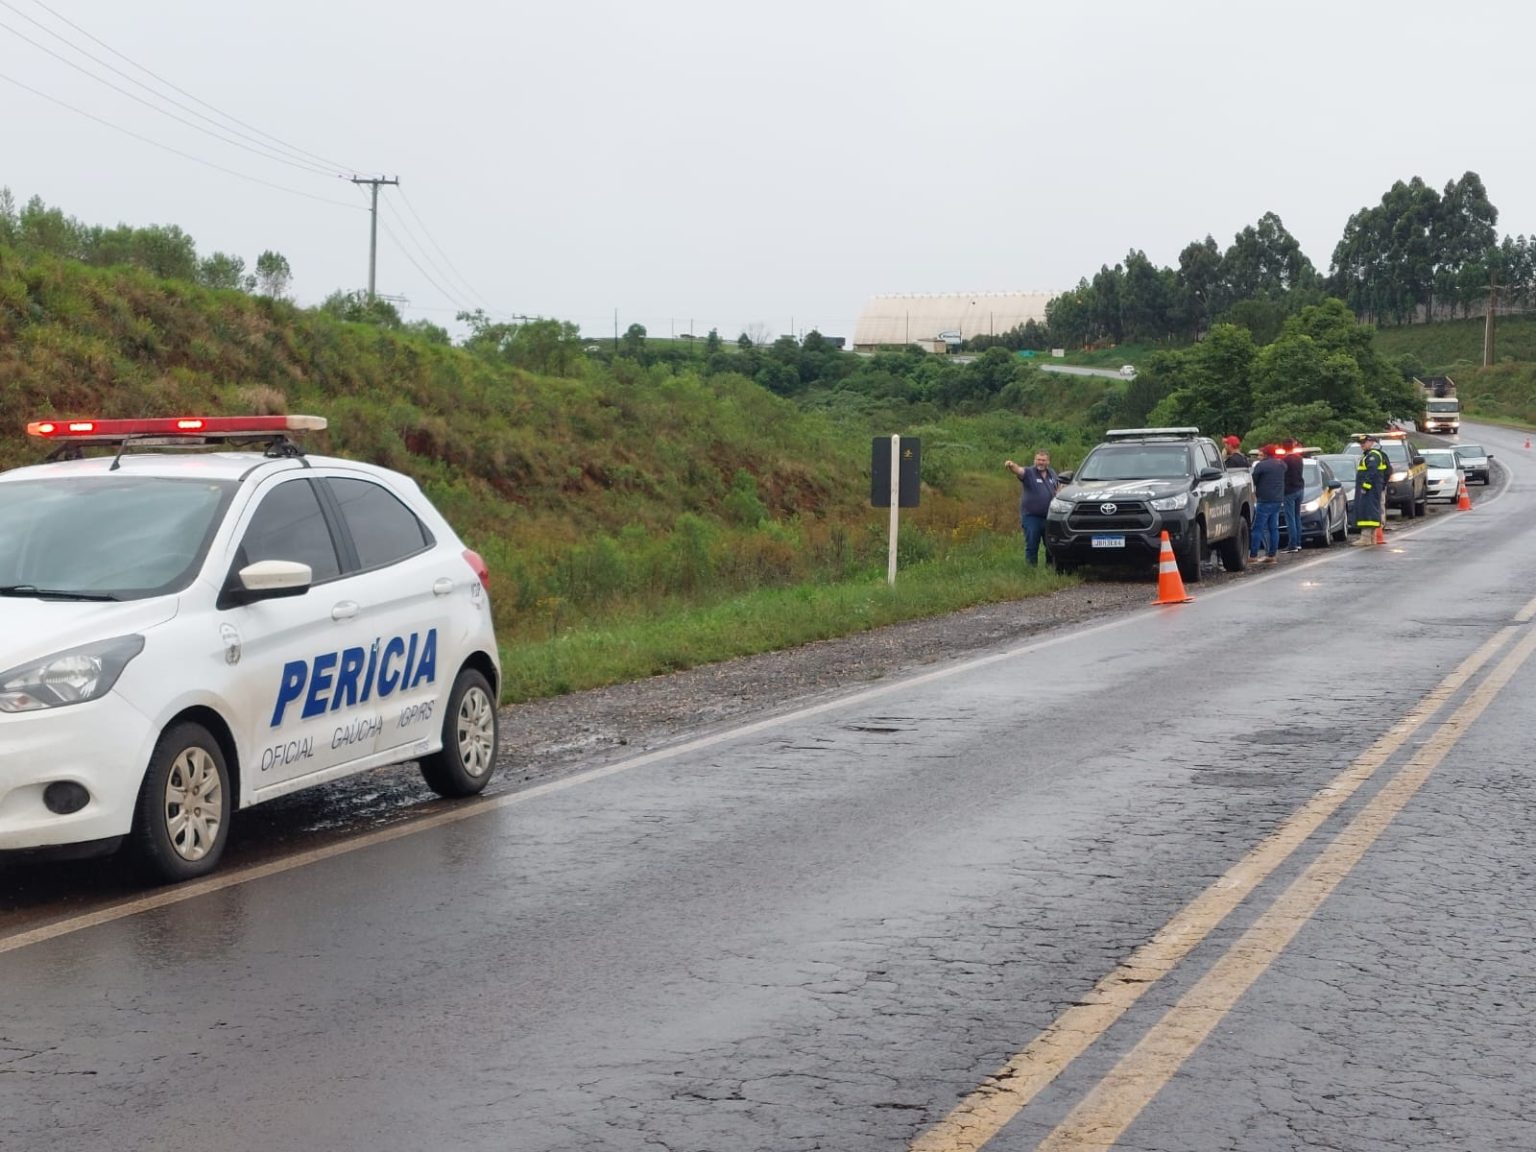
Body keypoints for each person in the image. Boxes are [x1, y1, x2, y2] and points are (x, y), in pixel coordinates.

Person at [1005, 450, 1059, 566]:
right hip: (1032, 517)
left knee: (1051, 545)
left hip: (1050, 517)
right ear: (1035, 460)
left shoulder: (1052, 473)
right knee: (1032, 544)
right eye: (1038, 460)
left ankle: (1051, 568)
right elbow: (1019, 470)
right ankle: (1031, 570)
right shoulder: (1029, 472)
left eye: (1043, 460)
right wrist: (1011, 465)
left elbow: (1058, 487)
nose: (1041, 462)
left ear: (1048, 462)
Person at [1249, 444, 1285, 564]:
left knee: (1258, 528)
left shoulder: (1261, 465)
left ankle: (1253, 555)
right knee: (1273, 528)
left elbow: (1253, 480)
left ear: (1265, 454)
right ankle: (1272, 554)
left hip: (1264, 500)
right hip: (1277, 499)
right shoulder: (1281, 464)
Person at [1353, 433, 1390, 545]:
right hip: (1374, 488)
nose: (1362, 445)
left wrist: (1365, 486)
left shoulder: (1373, 455)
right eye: (1360, 443)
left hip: (1370, 489)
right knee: (1371, 510)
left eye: (1364, 443)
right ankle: (1372, 538)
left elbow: (1372, 472)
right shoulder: (1371, 454)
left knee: (1367, 511)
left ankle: (1365, 538)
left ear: (1371, 442)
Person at [1280, 437, 1305, 552]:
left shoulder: (1284, 460)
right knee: (1297, 516)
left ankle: (1292, 545)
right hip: (1300, 488)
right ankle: (1298, 543)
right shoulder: (1299, 458)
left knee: (1290, 518)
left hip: (1289, 491)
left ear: (1283, 448)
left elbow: (1282, 476)